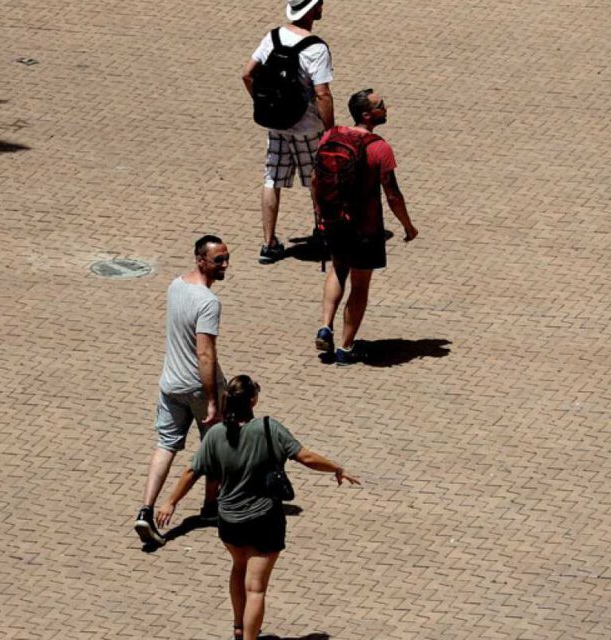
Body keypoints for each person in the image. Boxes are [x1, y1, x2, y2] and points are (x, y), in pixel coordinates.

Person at [156, 375, 360, 640]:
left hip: (229, 521)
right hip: (265, 521)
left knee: (238, 566)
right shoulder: (268, 428)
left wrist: (170, 502)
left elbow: (191, 471)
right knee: (256, 589)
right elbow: (305, 456)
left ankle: (239, 627)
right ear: (253, 400)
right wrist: (336, 468)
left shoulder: (215, 434)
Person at [133, 235, 230, 547]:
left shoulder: (175, 286)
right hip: (199, 387)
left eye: (226, 258)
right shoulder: (208, 302)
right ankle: (211, 507)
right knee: (215, 445)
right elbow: (205, 354)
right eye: (218, 260)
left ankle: (145, 510)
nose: (225, 265)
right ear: (200, 260)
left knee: (165, 445)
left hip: (170, 383)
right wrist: (212, 399)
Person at [314, 88, 419, 365]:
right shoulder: (378, 147)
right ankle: (346, 348)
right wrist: (408, 226)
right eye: (380, 105)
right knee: (360, 285)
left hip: (334, 221)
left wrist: (320, 213)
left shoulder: (331, 135)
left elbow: (317, 177)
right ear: (366, 114)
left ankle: (325, 326)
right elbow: (392, 194)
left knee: (338, 269)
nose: (386, 108)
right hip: (366, 227)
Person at [242, 0, 335, 264]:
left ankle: (269, 243)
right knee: (316, 178)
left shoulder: (273, 37)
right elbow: (322, 93)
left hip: (276, 124)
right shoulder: (316, 48)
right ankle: (322, 231)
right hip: (308, 127)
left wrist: (264, 103)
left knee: (272, 179)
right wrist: (331, 131)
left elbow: (247, 74)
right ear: (312, 10)